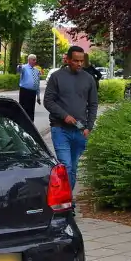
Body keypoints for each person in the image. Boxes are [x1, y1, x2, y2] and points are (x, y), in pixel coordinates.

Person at [44, 45, 98, 189]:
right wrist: (64, 115)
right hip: (60, 129)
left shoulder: (89, 79)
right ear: (68, 60)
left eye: (81, 61)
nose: (79, 64)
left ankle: (68, 202)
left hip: (80, 130)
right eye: (75, 61)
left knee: (73, 168)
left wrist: (89, 127)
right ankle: (66, 203)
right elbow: (48, 101)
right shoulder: (57, 77)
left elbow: (93, 104)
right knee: (66, 166)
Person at [17, 54, 42, 120]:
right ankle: (22, 123)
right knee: (24, 110)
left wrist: (38, 96)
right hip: (25, 92)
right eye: (33, 60)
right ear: (29, 60)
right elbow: (19, 70)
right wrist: (19, 66)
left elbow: (37, 83)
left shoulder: (36, 70)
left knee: (31, 110)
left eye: (35, 60)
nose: (35, 61)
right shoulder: (24, 68)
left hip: (33, 93)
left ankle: (31, 124)